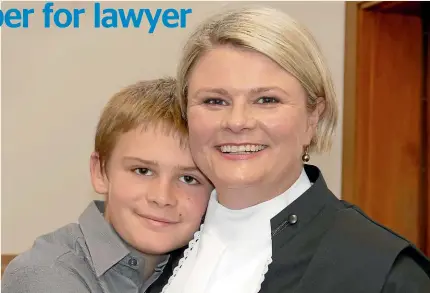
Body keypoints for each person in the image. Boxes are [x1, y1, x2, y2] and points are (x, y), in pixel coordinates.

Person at [151, 6, 430, 293]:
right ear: (186, 114)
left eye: (267, 100)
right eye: (214, 101)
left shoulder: (384, 272)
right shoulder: (155, 243)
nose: (237, 122)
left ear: (313, 117)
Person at [1, 78, 213, 293]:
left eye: (188, 179)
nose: (162, 197)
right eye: (142, 171)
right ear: (100, 172)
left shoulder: (203, 269)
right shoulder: (45, 273)